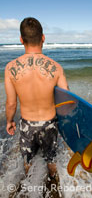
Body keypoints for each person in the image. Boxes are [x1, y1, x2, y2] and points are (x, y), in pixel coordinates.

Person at [5, 17, 69, 177]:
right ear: (43, 37)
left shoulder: (10, 68)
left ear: (21, 39)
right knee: (51, 160)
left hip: (27, 125)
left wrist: (9, 121)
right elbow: (67, 99)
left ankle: (28, 188)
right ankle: (53, 183)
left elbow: (11, 104)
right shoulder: (56, 67)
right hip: (49, 124)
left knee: (28, 161)